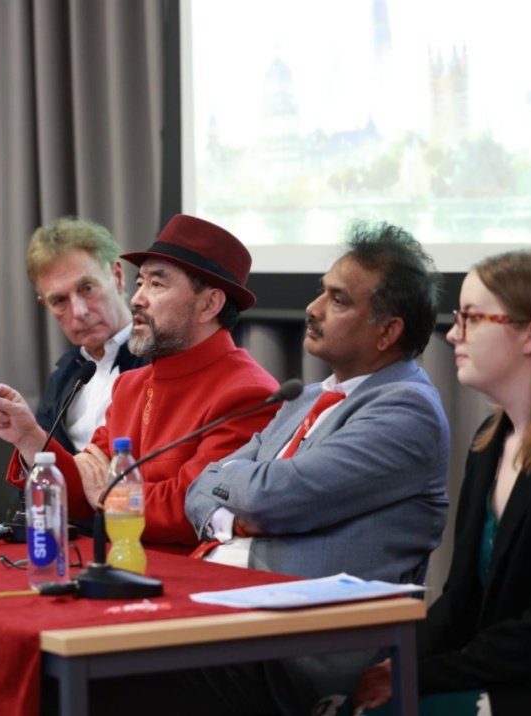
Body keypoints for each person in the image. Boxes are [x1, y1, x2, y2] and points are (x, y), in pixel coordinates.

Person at [182, 221, 451, 714]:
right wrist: (238, 517)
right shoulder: (305, 398)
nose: (313, 308)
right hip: (226, 614)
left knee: (109, 683)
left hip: (297, 649)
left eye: (338, 300)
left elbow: (274, 496)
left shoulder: (406, 409)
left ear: (388, 332)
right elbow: (198, 486)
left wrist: (241, 498)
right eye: (321, 291)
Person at [354, 250, 531, 715]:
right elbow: (459, 601)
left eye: (473, 318)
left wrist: (414, 675)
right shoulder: (488, 443)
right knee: (342, 697)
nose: (453, 333)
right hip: (501, 671)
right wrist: (388, 663)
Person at [0, 214, 279, 545]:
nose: (137, 299)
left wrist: (107, 493)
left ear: (209, 304)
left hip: (186, 571)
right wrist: (27, 437)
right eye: (140, 283)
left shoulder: (248, 393)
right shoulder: (130, 386)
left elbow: (193, 506)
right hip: (115, 560)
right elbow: (79, 493)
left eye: (157, 285)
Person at [26, 217, 145, 454]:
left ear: (117, 277)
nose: (79, 311)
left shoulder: (159, 359)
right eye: (59, 300)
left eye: (87, 288)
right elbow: (42, 464)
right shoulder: (63, 376)